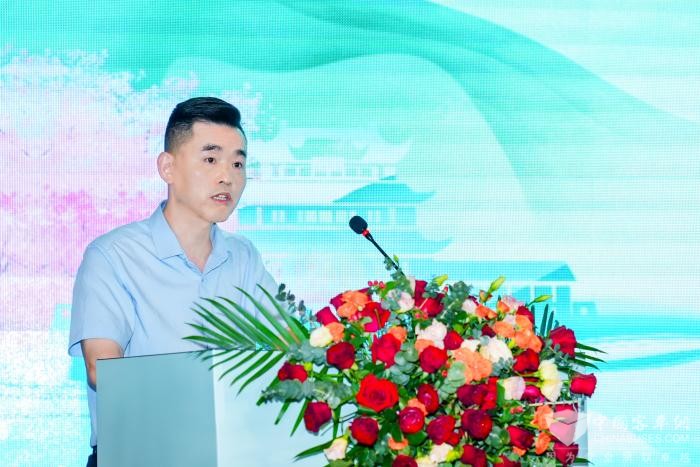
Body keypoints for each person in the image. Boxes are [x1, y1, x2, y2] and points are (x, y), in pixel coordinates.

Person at [68, 97, 278, 467]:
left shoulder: (244, 258)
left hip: (230, 455)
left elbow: (286, 351)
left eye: (238, 163)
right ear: (167, 167)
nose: (227, 177)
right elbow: (103, 369)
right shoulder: (113, 255)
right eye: (210, 160)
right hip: (139, 455)